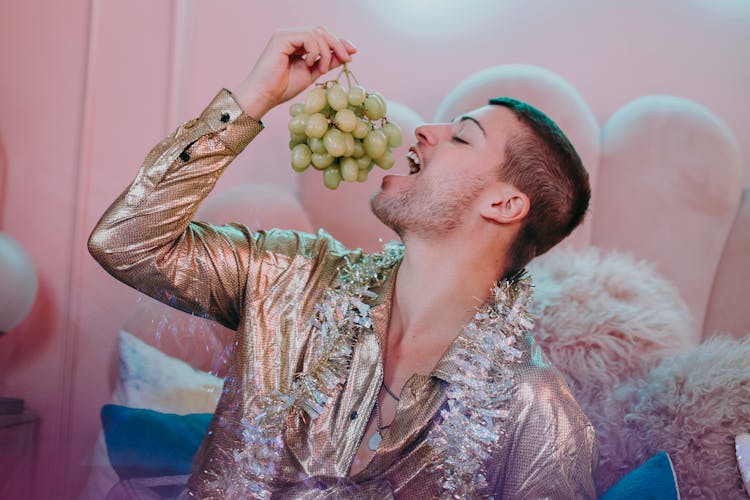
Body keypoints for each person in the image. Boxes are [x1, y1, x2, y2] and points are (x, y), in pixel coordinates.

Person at [89, 27, 597, 499]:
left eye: (462, 137)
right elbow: (127, 242)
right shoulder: (290, 276)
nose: (423, 131)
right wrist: (251, 100)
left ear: (504, 206)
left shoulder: (538, 413)